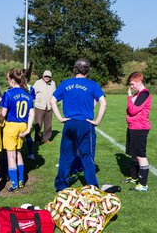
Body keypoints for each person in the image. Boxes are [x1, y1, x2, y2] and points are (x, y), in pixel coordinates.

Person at [51, 59, 107, 192]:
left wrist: (60, 118)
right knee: (87, 156)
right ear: (87, 71)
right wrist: (97, 121)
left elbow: (52, 101)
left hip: (69, 123)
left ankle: (61, 187)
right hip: (85, 124)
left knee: (66, 155)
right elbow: (103, 103)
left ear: (74, 70)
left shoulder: (65, 83)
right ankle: (92, 187)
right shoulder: (92, 85)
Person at [1, 69, 34, 192]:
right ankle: (21, 180)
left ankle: (14, 183)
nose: (8, 82)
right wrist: (28, 129)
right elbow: (31, 113)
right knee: (18, 152)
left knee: (10, 156)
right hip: (23, 125)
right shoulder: (27, 94)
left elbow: (3, 113)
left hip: (11, 126)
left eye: (8, 79)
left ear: (12, 80)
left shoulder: (8, 94)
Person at [121, 72, 152, 192]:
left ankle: (143, 185)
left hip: (140, 128)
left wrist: (129, 97)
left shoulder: (144, 93)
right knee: (133, 154)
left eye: (132, 84)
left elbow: (133, 110)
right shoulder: (138, 94)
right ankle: (134, 178)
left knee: (140, 155)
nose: (131, 86)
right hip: (133, 127)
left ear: (139, 82)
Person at [33, 70, 56, 144]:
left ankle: (46, 139)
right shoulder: (38, 82)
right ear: (43, 76)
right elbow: (32, 92)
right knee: (38, 123)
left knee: (48, 123)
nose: (47, 78)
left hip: (49, 106)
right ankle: (37, 140)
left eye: (48, 76)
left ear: (50, 77)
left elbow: (54, 94)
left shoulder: (53, 83)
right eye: (45, 76)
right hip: (39, 106)